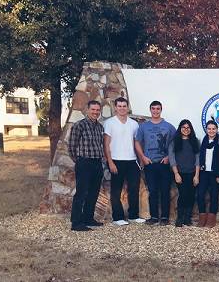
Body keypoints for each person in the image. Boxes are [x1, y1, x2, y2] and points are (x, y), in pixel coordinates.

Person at [104, 97, 144, 226]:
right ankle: (118, 218)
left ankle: (133, 216)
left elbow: (136, 142)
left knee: (134, 189)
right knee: (116, 190)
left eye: (124, 106)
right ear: (115, 107)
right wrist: (110, 162)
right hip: (116, 160)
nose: (122, 108)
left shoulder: (134, 124)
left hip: (132, 161)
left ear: (127, 107)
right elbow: (106, 144)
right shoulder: (109, 123)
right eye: (119, 106)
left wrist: (141, 158)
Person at [135, 101, 176, 226]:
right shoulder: (143, 127)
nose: (155, 111)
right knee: (152, 191)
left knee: (165, 190)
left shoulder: (168, 126)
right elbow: (137, 142)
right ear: (150, 110)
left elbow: (176, 142)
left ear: (161, 110)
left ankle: (164, 217)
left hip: (164, 163)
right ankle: (153, 217)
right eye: (153, 109)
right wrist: (142, 157)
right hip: (150, 163)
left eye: (158, 109)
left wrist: (169, 157)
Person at [68, 100, 105, 231]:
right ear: (87, 110)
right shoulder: (79, 125)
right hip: (84, 162)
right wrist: (79, 160)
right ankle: (76, 222)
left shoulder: (100, 127)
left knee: (94, 193)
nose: (95, 112)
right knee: (81, 193)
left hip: (97, 163)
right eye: (93, 110)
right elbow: (71, 146)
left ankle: (88, 218)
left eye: (97, 110)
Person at [168, 119, 200, 227]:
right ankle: (180, 217)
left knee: (191, 195)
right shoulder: (174, 142)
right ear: (180, 129)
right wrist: (176, 174)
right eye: (183, 127)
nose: (186, 130)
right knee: (183, 195)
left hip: (192, 173)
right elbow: (172, 159)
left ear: (190, 129)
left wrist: (196, 175)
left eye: (188, 128)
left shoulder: (195, 141)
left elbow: (197, 159)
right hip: (180, 173)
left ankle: (187, 218)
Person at [196, 120, 219, 227]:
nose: (211, 131)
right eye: (209, 129)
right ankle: (202, 217)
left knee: (214, 195)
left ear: (217, 130)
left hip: (215, 172)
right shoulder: (202, 141)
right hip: (203, 172)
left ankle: (211, 219)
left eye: (213, 129)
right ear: (206, 129)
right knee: (200, 194)